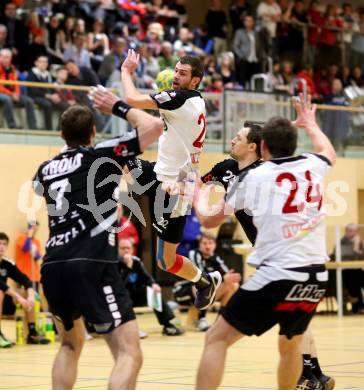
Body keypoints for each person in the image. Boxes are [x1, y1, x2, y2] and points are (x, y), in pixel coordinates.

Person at [193, 93, 336, 390]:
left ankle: (313, 374)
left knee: (216, 339)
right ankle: (312, 376)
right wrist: (310, 123)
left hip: (278, 272)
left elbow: (207, 220)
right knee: (290, 344)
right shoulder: (313, 163)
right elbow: (327, 149)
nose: (233, 140)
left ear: (262, 147)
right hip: (316, 276)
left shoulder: (254, 178)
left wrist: (196, 195)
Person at [32, 103, 164, 389]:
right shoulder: (100, 155)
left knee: (69, 345)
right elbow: (154, 126)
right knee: (129, 352)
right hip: (91, 263)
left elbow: (39, 188)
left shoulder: (44, 169)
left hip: (53, 265)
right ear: (93, 132)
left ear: (60, 134)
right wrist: (119, 107)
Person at [91, 49, 222, 311]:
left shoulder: (181, 99)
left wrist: (126, 71)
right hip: (160, 173)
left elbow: (131, 98)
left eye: (182, 74)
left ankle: (205, 281)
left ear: (195, 81)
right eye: (175, 70)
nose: (176, 76)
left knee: (166, 260)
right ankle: (107, 209)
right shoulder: (193, 100)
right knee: (116, 155)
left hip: (175, 188)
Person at [174, 233, 241, 331]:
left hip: (204, 290)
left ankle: (221, 320)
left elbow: (226, 274)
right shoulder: (194, 254)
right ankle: (201, 319)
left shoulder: (215, 257)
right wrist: (224, 277)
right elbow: (199, 276)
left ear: (215, 245)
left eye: (210, 243)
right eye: (204, 243)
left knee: (232, 285)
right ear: (199, 245)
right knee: (201, 284)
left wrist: (230, 277)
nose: (207, 246)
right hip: (183, 291)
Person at [118, 238, 183, 337]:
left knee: (153, 292)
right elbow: (119, 286)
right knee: (123, 294)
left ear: (132, 250)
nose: (126, 250)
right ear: (117, 250)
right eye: (123, 248)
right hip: (120, 297)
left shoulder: (136, 261)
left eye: (128, 248)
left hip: (135, 296)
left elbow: (147, 278)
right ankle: (132, 329)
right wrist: (128, 267)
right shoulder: (114, 263)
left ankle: (167, 325)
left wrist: (153, 284)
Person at [0, 232, 36, 347]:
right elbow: (1, 285)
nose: (1, 246)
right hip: (2, 293)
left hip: (5, 297)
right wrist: (18, 297)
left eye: (4, 244)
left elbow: (24, 279)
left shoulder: (7, 263)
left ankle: (32, 332)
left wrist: (30, 294)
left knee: (27, 292)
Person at [27, 55, 69, 130]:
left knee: (65, 105)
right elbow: (32, 90)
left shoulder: (48, 75)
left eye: (46, 62)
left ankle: (59, 128)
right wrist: (48, 96)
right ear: (36, 63)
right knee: (47, 104)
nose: (44, 64)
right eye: (42, 62)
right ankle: (48, 129)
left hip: (48, 97)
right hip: (35, 97)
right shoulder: (32, 74)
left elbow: (52, 88)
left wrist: (55, 95)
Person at [331, 223, 364, 314]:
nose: (352, 233)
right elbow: (344, 257)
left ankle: (359, 306)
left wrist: (357, 247)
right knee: (353, 278)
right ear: (346, 231)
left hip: (356, 269)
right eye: (350, 231)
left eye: (354, 231)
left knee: (357, 276)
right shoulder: (342, 242)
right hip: (344, 270)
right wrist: (355, 249)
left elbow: (361, 258)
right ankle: (358, 306)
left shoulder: (358, 242)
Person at [0, 48, 37, 129]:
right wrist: (11, 94)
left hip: (12, 94)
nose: (7, 59)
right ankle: (12, 125)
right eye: (5, 57)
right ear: (0, 57)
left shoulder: (12, 68)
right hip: (3, 93)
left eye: (9, 57)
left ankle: (33, 127)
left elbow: (16, 83)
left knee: (29, 101)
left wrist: (16, 93)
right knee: (7, 99)